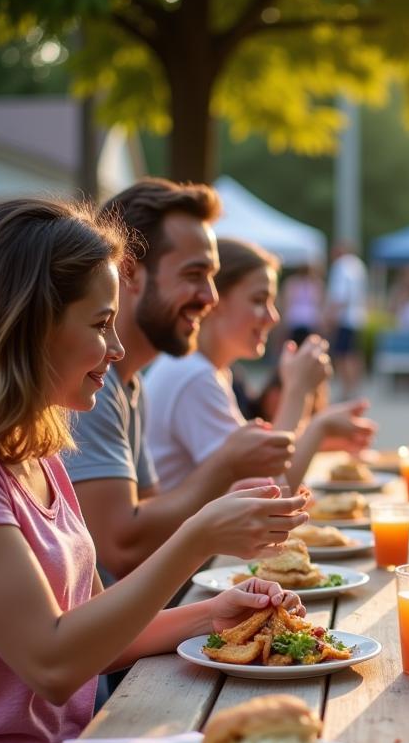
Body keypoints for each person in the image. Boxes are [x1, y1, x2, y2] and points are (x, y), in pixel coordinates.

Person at [0, 197, 307, 743]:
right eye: (100, 324)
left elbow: (93, 635)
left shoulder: (36, 449)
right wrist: (196, 534)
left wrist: (212, 614)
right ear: (28, 326)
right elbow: (53, 662)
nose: (115, 351)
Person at [62, 179, 296, 585]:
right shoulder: (86, 390)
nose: (210, 297)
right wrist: (226, 466)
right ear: (130, 270)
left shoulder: (128, 384)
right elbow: (123, 549)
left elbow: (150, 520)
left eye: (213, 277)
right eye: (194, 274)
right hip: (125, 643)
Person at [144, 238, 375, 491]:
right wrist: (299, 395)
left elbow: (255, 470)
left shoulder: (203, 369)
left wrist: (320, 433)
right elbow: (265, 489)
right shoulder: (194, 376)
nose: (273, 317)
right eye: (258, 300)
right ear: (215, 300)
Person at [324, 241, 368, 398]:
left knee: (343, 355)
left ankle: (346, 389)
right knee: (354, 354)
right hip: (358, 318)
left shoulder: (341, 266)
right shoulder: (358, 265)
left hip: (345, 318)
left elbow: (340, 296)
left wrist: (330, 316)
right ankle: (355, 387)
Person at [278, 262, 324, 347]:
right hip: (307, 320)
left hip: (297, 320)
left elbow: (286, 302)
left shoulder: (292, 283)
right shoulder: (316, 284)